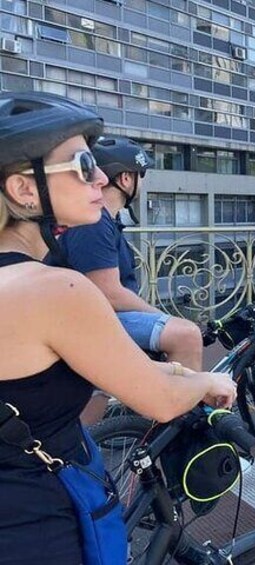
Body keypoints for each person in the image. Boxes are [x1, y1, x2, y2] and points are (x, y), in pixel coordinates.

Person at [0, 92, 235, 564]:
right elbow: (160, 400)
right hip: (41, 527)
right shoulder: (53, 289)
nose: (102, 177)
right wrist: (209, 379)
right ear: (25, 190)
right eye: (84, 164)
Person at [49, 135, 204, 425]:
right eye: (140, 176)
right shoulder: (93, 224)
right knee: (186, 334)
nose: (142, 184)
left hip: (89, 316)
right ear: (124, 179)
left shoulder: (104, 221)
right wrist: (165, 318)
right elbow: (109, 293)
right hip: (90, 319)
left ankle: (87, 453)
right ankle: (182, 442)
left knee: (97, 395)